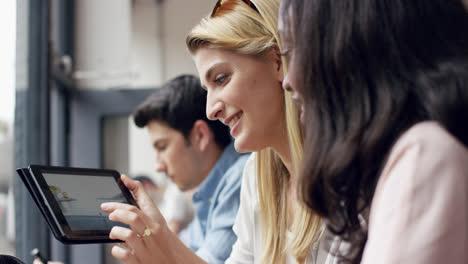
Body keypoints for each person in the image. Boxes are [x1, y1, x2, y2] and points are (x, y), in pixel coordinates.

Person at [101, 0, 333, 263]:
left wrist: (165, 246)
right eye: (207, 88)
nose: (211, 109)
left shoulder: (347, 174)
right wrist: (162, 244)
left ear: (277, 62)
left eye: (221, 79)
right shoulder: (257, 177)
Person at [279, 0, 468, 263]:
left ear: (349, 50)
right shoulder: (374, 181)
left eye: (293, 51)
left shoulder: (424, 157)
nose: (288, 81)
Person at [102, 74, 249, 263]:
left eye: (162, 147)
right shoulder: (208, 194)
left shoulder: (242, 178)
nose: (158, 166)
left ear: (200, 135)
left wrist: (159, 235)